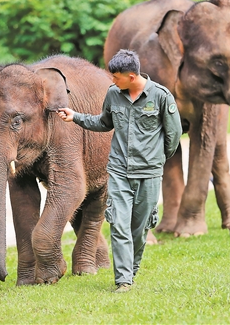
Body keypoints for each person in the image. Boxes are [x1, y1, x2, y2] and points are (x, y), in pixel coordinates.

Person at [57, 49, 182, 292]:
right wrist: (76, 117)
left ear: (132, 76)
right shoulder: (114, 95)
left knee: (141, 225)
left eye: (117, 77)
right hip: (119, 171)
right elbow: (104, 123)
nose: (112, 81)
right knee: (119, 224)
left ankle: (131, 270)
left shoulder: (161, 96)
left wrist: (157, 159)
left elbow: (173, 135)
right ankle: (123, 280)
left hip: (149, 173)